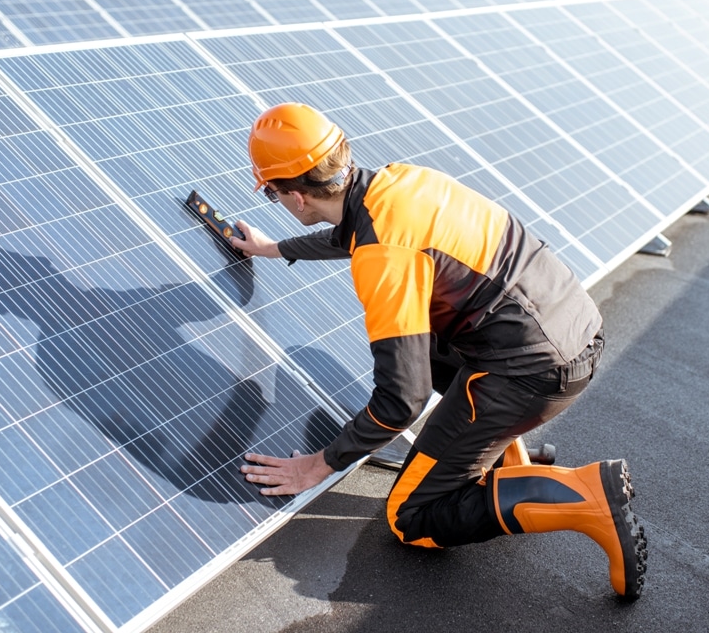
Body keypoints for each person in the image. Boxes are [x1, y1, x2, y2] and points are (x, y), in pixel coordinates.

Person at [233, 103, 647, 600]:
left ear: (296, 197)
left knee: (412, 517)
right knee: (420, 336)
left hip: (532, 372)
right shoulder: (399, 183)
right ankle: (501, 460)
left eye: (274, 192)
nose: (278, 202)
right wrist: (276, 249)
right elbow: (355, 232)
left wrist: (321, 463)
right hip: (571, 329)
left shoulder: (384, 254)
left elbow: (399, 402)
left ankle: (585, 496)